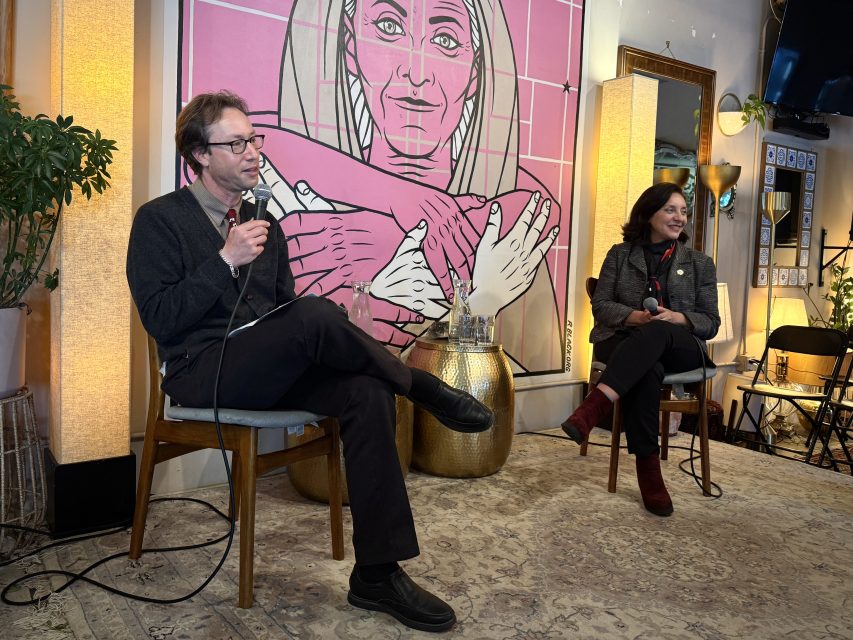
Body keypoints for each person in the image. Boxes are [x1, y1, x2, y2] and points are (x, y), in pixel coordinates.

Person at [126, 91, 496, 633]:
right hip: (200, 371)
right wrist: (225, 259)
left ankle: (376, 573)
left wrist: (312, 331)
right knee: (316, 315)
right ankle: (421, 385)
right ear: (200, 154)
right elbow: (160, 319)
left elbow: (282, 311)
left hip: (266, 369)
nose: (253, 151)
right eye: (237, 143)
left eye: (254, 139)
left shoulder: (261, 219)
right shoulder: (159, 220)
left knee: (366, 393)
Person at [241, 0, 565, 372]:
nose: (416, 73)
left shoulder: (506, 206)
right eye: (389, 27)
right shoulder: (276, 169)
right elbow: (259, 142)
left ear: (476, 73)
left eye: (445, 39)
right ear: (350, 48)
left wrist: (366, 244)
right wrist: (406, 200)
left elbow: (538, 209)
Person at [560, 183, 720, 517]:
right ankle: (650, 473)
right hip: (627, 338)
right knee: (647, 368)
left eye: (683, 211)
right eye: (671, 210)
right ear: (648, 213)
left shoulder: (700, 263)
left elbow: (710, 322)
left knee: (658, 332)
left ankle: (595, 405)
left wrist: (677, 318)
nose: (679, 218)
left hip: (681, 344)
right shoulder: (620, 254)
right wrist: (634, 316)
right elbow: (601, 305)